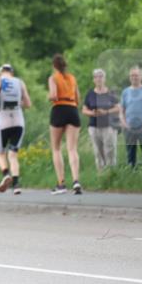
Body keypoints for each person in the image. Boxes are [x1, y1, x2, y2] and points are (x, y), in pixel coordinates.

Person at [0, 65, 32, 195]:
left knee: (0, 153)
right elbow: (28, 104)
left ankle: (6, 174)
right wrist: (18, 103)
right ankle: (16, 185)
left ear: (1, 72)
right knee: (13, 155)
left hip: (4, 121)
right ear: (11, 73)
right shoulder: (20, 82)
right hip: (19, 121)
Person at [48, 54, 82, 194]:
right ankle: (76, 181)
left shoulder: (53, 78)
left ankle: (61, 183)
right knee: (72, 149)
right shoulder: (72, 78)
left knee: (56, 148)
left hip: (59, 109)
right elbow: (78, 98)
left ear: (54, 66)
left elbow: (53, 95)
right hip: (72, 110)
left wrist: (48, 96)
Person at [82, 68, 120, 171]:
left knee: (110, 150)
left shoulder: (111, 93)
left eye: (101, 76)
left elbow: (118, 108)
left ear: (104, 79)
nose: (99, 79)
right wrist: (92, 113)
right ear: (93, 80)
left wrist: (106, 112)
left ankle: (112, 173)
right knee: (98, 151)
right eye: (96, 77)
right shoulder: (90, 94)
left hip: (109, 125)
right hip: (94, 126)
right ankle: (101, 175)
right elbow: (84, 110)